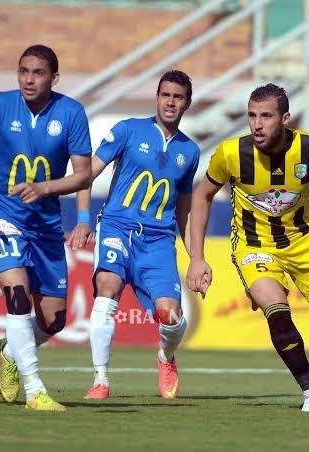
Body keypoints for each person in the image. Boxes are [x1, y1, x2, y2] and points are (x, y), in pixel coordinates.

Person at [187, 83, 309, 413]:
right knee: (277, 310)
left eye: (266, 116)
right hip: (255, 245)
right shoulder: (231, 153)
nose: (256, 124)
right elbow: (201, 195)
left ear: (286, 119)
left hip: (306, 240)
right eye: (252, 116)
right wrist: (197, 257)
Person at [0, 44, 92, 411]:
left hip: (46, 225)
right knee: (18, 300)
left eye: (38, 72)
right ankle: (35, 390)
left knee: (54, 320)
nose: (28, 79)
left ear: (54, 78)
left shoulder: (71, 113)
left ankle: (9, 352)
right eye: (23, 71)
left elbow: (83, 175)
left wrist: (46, 190)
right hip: (0, 216)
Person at [71, 70, 199, 400]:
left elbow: (183, 209)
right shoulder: (128, 130)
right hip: (117, 229)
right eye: (166, 95)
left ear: (187, 102)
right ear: (157, 98)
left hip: (158, 242)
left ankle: (165, 357)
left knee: (172, 319)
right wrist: (83, 220)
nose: (171, 102)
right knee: (107, 291)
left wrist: (196, 258)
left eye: (178, 97)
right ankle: (101, 380)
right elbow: (86, 175)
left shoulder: (190, 151)